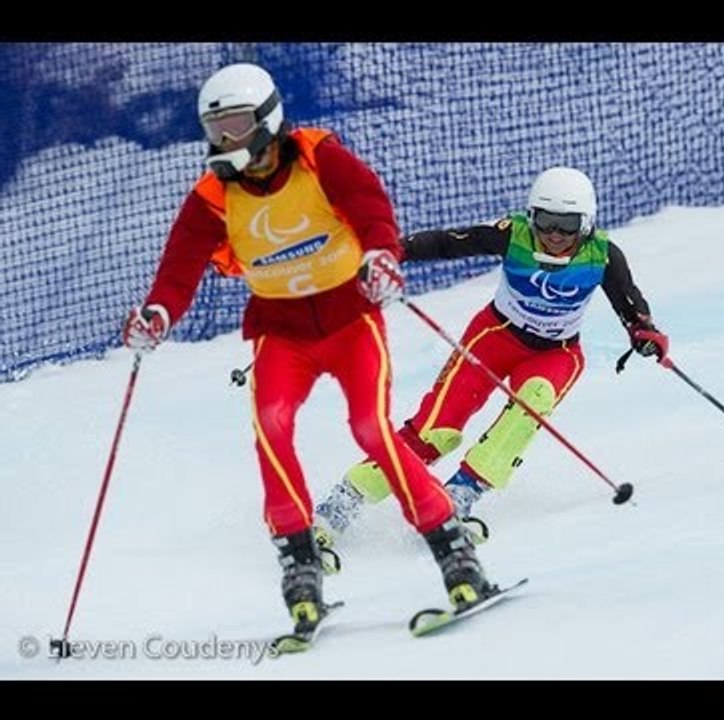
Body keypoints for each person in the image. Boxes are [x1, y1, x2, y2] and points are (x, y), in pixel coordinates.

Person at [122, 63, 498, 634]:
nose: (228, 139)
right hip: (282, 333)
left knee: (372, 428)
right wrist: (158, 312)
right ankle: (299, 566)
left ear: (269, 118)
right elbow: (179, 267)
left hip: (351, 321)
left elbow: (371, 207)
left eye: (239, 125)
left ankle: (452, 550)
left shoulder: (320, 159)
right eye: (217, 128)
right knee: (271, 424)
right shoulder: (212, 196)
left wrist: (381, 256)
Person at [313, 166, 668, 546]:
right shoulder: (513, 234)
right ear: (531, 215)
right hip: (494, 338)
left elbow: (630, 304)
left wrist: (642, 331)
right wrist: (396, 251)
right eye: (546, 222)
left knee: (533, 403)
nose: (554, 235)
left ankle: (459, 497)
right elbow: (451, 242)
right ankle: (341, 504)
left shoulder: (603, 255)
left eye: (567, 225)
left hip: (556, 352)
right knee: (436, 430)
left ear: (587, 224)